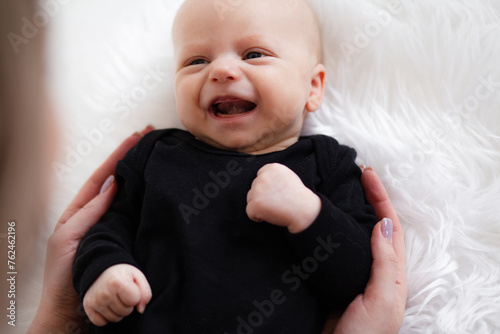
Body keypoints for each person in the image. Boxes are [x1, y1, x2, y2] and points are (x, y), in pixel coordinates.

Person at [72, 0, 384, 332]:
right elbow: (104, 230)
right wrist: (104, 271)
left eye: (253, 54)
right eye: (197, 61)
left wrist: (309, 214)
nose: (221, 71)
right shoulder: (156, 155)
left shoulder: (326, 164)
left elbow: (358, 277)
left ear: (313, 86)